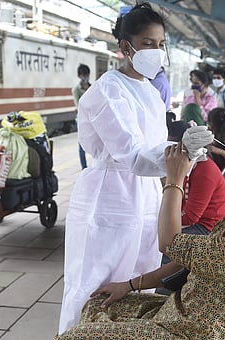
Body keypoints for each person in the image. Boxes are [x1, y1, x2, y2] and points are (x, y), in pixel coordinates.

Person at [55, 150, 225, 339]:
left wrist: (175, 180)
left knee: (79, 337)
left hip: (191, 333)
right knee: (97, 306)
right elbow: (186, 258)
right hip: (178, 314)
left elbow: (169, 243)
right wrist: (128, 286)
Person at [58, 4, 211, 334]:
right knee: (95, 287)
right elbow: (132, 155)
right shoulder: (107, 91)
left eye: (160, 44)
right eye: (147, 43)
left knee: (136, 284)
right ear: (126, 47)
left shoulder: (151, 93)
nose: (156, 52)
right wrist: (179, 155)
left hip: (144, 199)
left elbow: (154, 154)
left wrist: (188, 151)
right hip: (109, 200)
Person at [71, 64, 91, 169]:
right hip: (82, 120)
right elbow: (78, 105)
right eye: (83, 75)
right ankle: (84, 167)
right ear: (79, 76)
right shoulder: (76, 90)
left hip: (94, 119)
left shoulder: (93, 87)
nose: (85, 77)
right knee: (82, 145)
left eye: (86, 75)